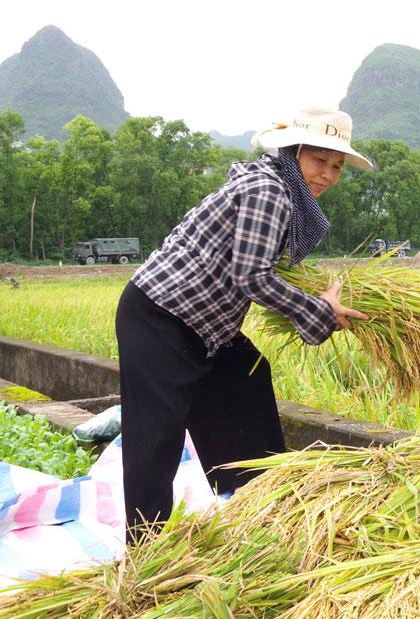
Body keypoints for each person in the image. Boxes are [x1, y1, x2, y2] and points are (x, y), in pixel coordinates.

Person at [116, 107, 372, 540]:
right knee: (155, 435)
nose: (328, 175)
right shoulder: (270, 191)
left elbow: (259, 271)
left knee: (247, 377)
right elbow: (252, 276)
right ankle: (144, 550)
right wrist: (321, 311)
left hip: (206, 325)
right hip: (160, 315)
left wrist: (317, 303)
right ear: (293, 153)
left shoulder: (279, 192)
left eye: (337, 166)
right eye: (319, 161)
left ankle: (256, 507)